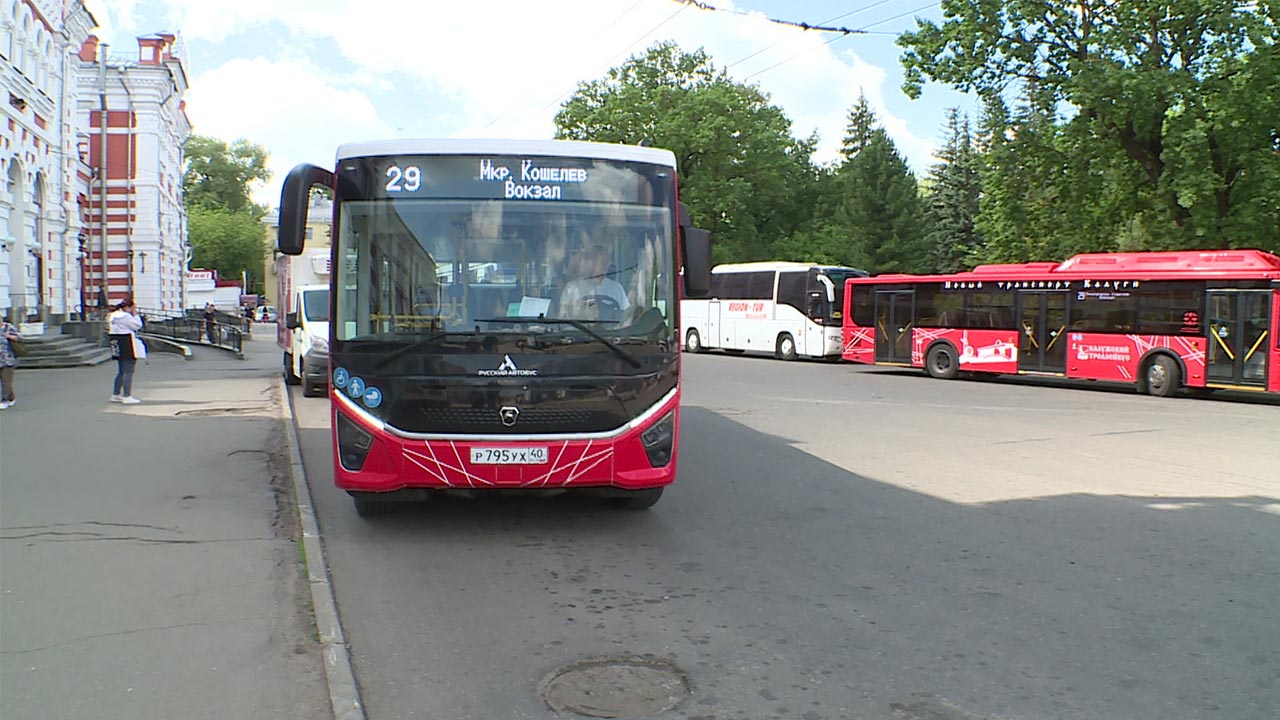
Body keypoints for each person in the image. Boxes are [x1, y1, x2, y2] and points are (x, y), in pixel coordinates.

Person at [557, 245, 630, 321]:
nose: (605, 270)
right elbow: (562, 318)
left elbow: (627, 316)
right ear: (590, 264)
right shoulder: (572, 288)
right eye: (602, 264)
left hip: (610, 331)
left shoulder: (616, 289)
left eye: (606, 265)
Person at [108, 298, 145, 404]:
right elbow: (137, 326)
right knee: (129, 370)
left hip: (117, 342)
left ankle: (116, 394)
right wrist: (135, 315)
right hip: (128, 342)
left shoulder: (113, 315)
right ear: (128, 307)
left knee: (121, 371)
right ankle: (127, 396)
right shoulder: (126, 316)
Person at [0, 319, 24, 409]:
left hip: (8, 360)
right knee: (3, 380)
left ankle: (4, 400)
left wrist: (9, 336)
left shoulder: (8, 327)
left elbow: (20, 337)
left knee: (6, 381)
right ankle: (11, 398)